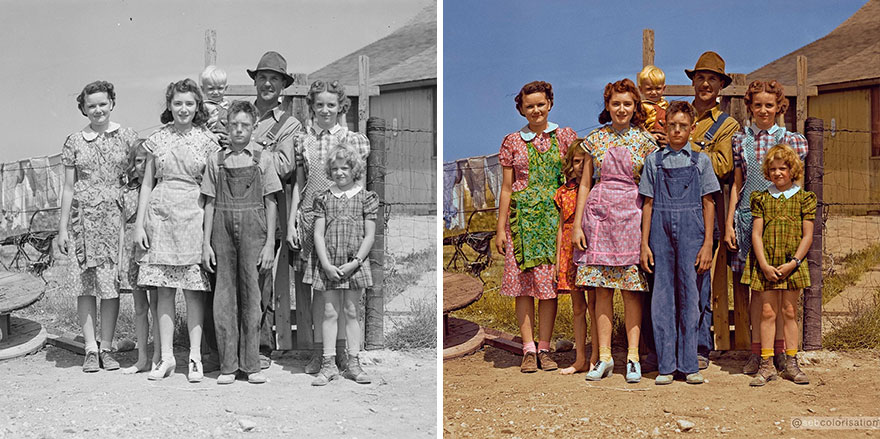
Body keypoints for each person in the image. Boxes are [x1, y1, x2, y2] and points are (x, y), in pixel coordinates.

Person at [133, 78, 220, 382]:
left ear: (198, 107)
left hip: (193, 215)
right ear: (169, 106)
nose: (183, 109)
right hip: (161, 214)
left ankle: (194, 356)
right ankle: (167, 357)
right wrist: (139, 223)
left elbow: (211, 189)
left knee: (194, 290)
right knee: (164, 289)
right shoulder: (158, 139)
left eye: (190, 103)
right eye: (178, 103)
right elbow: (146, 183)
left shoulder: (208, 141)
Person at [572, 78, 657, 383]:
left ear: (635, 108)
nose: (621, 109)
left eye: (627, 104)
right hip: (599, 219)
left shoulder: (646, 143)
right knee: (602, 290)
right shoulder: (595, 139)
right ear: (607, 106)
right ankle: (605, 357)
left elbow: (650, 191)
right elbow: (584, 183)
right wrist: (578, 224)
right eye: (616, 103)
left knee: (632, 292)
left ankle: (632, 357)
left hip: (631, 219)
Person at [724, 80, 808, 375]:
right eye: (757, 105)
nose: (763, 110)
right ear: (750, 107)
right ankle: (759, 353)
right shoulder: (741, 140)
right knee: (757, 293)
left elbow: (797, 186)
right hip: (749, 219)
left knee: (783, 293)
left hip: (782, 223)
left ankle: (784, 354)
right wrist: (729, 223)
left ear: (779, 108)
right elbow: (737, 184)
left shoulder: (792, 140)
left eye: (769, 105)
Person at [288, 80, 370, 375]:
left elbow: (359, 184)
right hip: (312, 218)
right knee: (320, 292)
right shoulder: (304, 140)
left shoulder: (354, 140)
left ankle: (347, 355)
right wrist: (291, 223)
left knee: (346, 292)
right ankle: (321, 354)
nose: (325, 110)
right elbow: (299, 184)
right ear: (311, 107)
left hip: (346, 222)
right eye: (319, 104)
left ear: (340, 107)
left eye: (331, 105)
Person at [57, 80, 138, 373]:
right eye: (91, 105)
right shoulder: (74, 141)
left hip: (115, 220)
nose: (98, 110)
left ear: (112, 103)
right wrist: (63, 228)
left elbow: (140, 174)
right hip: (84, 220)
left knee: (110, 285)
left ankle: (108, 347)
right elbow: (68, 187)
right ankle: (90, 349)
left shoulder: (128, 137)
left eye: (103, 103)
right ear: (83, 108)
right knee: (86, 285)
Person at [495, 81, 576, 373]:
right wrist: (500, 226)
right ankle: (527, 349)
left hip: (553, 221)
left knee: (548, 288)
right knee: (524, 288)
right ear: (521, 109)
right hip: (521, 223)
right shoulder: (512, 141)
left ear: (550, 104)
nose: (536, 110)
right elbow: (506, 188)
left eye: (540, 104)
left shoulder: (564, 137)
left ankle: (545, 347)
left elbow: (574, 177)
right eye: (529, 106)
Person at [639, 101, 719, 385]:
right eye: (671, 125)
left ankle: (689, 364)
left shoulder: (701, 161)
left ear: (692, 129)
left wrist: (708, 242)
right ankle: (666, 366)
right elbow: (647, 204)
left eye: (682, 126)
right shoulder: (654, 161)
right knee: (662, 297)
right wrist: (644, 244)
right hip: (659, 233)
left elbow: (709, 203)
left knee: (691, 297)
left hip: (692, 234)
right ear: (664, 126)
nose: (676, 130)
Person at [202, 101, 281, 385]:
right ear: (226, 126)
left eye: (245, 125)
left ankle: (251, 365)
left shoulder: (263, 158)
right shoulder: (216, 160)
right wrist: (205, 244)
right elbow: (209, 203)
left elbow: (271, 201)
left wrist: (270, 242)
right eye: (233, 124)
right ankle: (228, 366)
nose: (238, 130)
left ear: (253, 127)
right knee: (224, 297)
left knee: (253, 296)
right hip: (221, 232)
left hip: (255, 232)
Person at [246, 51, 304, 368]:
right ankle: (228, 346)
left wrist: (247, 148)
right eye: (263, 77)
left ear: (283, 86)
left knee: (262, 279)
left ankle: (262, 346)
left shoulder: (288, 124)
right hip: (231, 208)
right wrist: (262, 148)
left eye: (274, 79)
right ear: (255, 81)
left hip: (266, 210)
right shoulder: (240, 113)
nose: (267, 83)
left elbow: (282, 165)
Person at [686, 51, 741, 369]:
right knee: (664, 281)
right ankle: (667, 344)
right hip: (667, 208)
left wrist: (683, 144)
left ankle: (700, 346)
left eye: (712, 79)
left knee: (700, 280)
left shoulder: (726, 124)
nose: (705, 84)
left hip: (704, 209)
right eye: (700, 77)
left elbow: (722, 165)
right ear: (692, 81)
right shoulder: (677, 113)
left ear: (721, 85)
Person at [742, 143, 814, 386]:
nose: (778, 173)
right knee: (767, 312)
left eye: (783, 168)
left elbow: (807, 236)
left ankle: (791, 363)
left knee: (790, 312)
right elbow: (756, 234)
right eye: (773, 169)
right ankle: (766, 364)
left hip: (791, 265)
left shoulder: (804, 198)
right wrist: (763, 264)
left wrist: (793, 263)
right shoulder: (761, 198)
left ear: (792, 170)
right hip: (767, 264)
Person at [308, 144, 378, 386]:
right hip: (329, 263)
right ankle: (328, 365)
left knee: (351, 311)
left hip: (354, 265)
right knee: (329, 312)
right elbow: (318, 234)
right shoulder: (324, 198)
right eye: (335, 168)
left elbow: (369, 236)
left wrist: (356, 262)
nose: (340, 173)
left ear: (354, 169)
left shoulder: (366, 198)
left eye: (345, 168)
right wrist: (326, 264)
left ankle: (353, 363)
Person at [555, 139, 598, 375]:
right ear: (570, 164)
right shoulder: (563, 192)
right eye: (577, 161)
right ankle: (579, 358)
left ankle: (596, 357)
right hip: (570, 252)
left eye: (585, 161)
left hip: (592, 249)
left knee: (595, 306)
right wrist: (558, 260)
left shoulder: (598, 187)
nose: (581, 166)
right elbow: (561, 227)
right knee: (578, 308)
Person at [118, 140, 161, 374]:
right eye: (138, 160)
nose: (142, 165)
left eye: (146, 160)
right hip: (132, 252)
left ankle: (157, 356)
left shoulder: (158, 188)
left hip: (153, 248)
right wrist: (119, 261)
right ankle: (141, 357)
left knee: (157, 305)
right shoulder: (127, 192)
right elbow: (121, 226)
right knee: (139, 307)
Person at [637, 65, 669, 145]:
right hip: (647, 142)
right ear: (641, 89)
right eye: (649, 89)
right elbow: (638, 126)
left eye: (658, 88)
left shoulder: (667, 106)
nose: (654, 92)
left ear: (663, 88)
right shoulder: (641, 107)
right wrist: (649, 136)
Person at [200, 65, 230, 137]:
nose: (216, 92)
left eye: (220, 88)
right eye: (211, 89)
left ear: (225, 88)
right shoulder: (204, 106)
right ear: (203, 89)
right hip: (210, 137)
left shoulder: (228, 104)